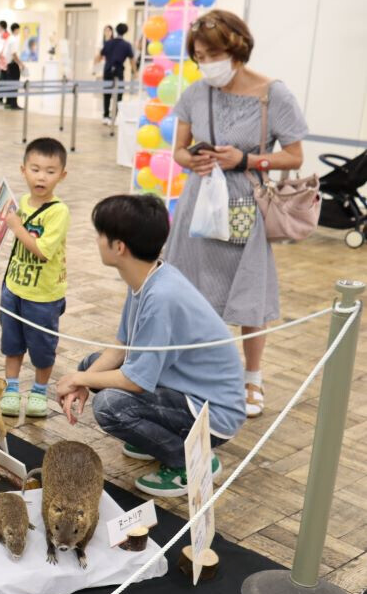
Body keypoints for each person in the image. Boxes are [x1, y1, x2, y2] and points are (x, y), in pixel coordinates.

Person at [164, 9, 308, 418]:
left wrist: (246, 159)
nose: (206, 63)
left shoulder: (272, 94)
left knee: (248, 291)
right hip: (199, 204)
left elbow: (295, 155)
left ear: (236, 47)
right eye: (199, 56)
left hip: (246, 203)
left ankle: (252, 378)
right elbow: (177, 150)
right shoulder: (195, 93)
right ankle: (196, 371)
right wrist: (190, 161)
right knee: (191, 288)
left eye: (212, 53)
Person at [57, 194, 246, 497]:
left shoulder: (161, 297)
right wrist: (83, 377)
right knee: (90, 364)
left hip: (213, 413)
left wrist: (78, 380)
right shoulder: (148, 278)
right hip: (184, 390)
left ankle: (191, 462)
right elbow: (121, 347)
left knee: (109, 408)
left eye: (100, 234)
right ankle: (159, 437)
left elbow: (134, 380)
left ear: (119, 247)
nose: (96, 240)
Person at [0, 137, 70, 418]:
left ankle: (39, 390)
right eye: (35, 169)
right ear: (23, 170)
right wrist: (1, 203)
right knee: (11, 343)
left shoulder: (59, 212)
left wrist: (15, 225)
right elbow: (14, 222)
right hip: (14, 287)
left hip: (44, 296)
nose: (42, 176)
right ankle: (11, 389)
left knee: (42, 348)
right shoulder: (23, 201)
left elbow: (41, 251)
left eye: (50, 171)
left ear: (62, 176)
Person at [96, 22, 135, 125]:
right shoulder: (127, 45)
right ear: (125, 32)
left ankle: (105, 116)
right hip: (118, 71)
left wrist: (96, 65)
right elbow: (132, 60)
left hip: (107, 70)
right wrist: (135, 72)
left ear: (115, 30)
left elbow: (99, 57)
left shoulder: (108, 43)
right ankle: (115, 117)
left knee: (107, 94)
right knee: (118, 95)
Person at [1, 23, 24, 110]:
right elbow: (14, 54)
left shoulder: (9, 39)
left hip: (8, 64)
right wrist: (21, 63)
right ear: (16, 29)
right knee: (14, 84)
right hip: (13, 64)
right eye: (18, 29)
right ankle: (13, 104)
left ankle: (8, 102)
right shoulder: (13, 40)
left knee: (9, 84)